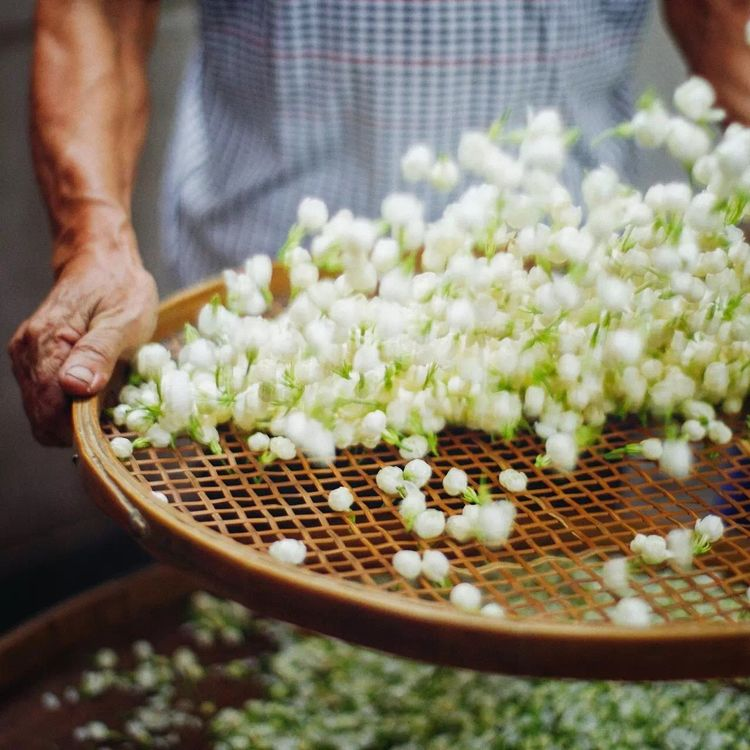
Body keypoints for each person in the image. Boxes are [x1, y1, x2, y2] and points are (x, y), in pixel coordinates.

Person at [9, 0, 750, 446]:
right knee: (273, 618)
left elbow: (718, 12)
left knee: (563, 608)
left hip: (581, 329)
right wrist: (92, 238)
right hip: (266, 327)